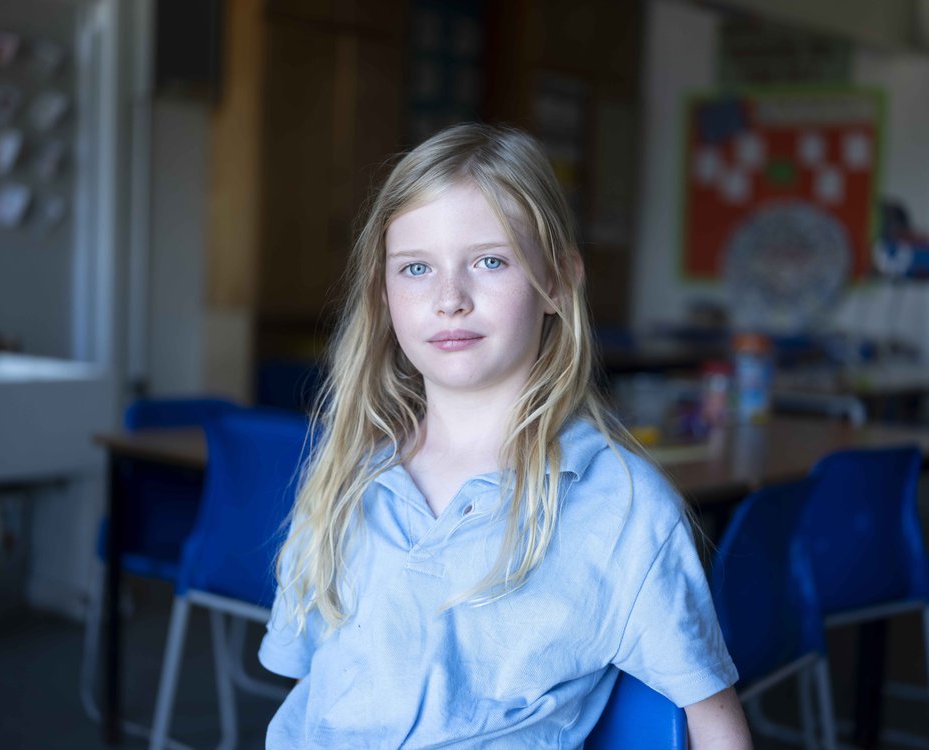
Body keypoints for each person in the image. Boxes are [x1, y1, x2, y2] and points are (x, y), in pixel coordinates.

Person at [259, 123, 751, 748]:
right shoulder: (342, 479)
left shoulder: (623, 508)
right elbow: (308, 691)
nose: (449, 299)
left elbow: (712, 720)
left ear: (557, 281)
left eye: (490, 261)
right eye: (415, 268)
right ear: (383, 294)